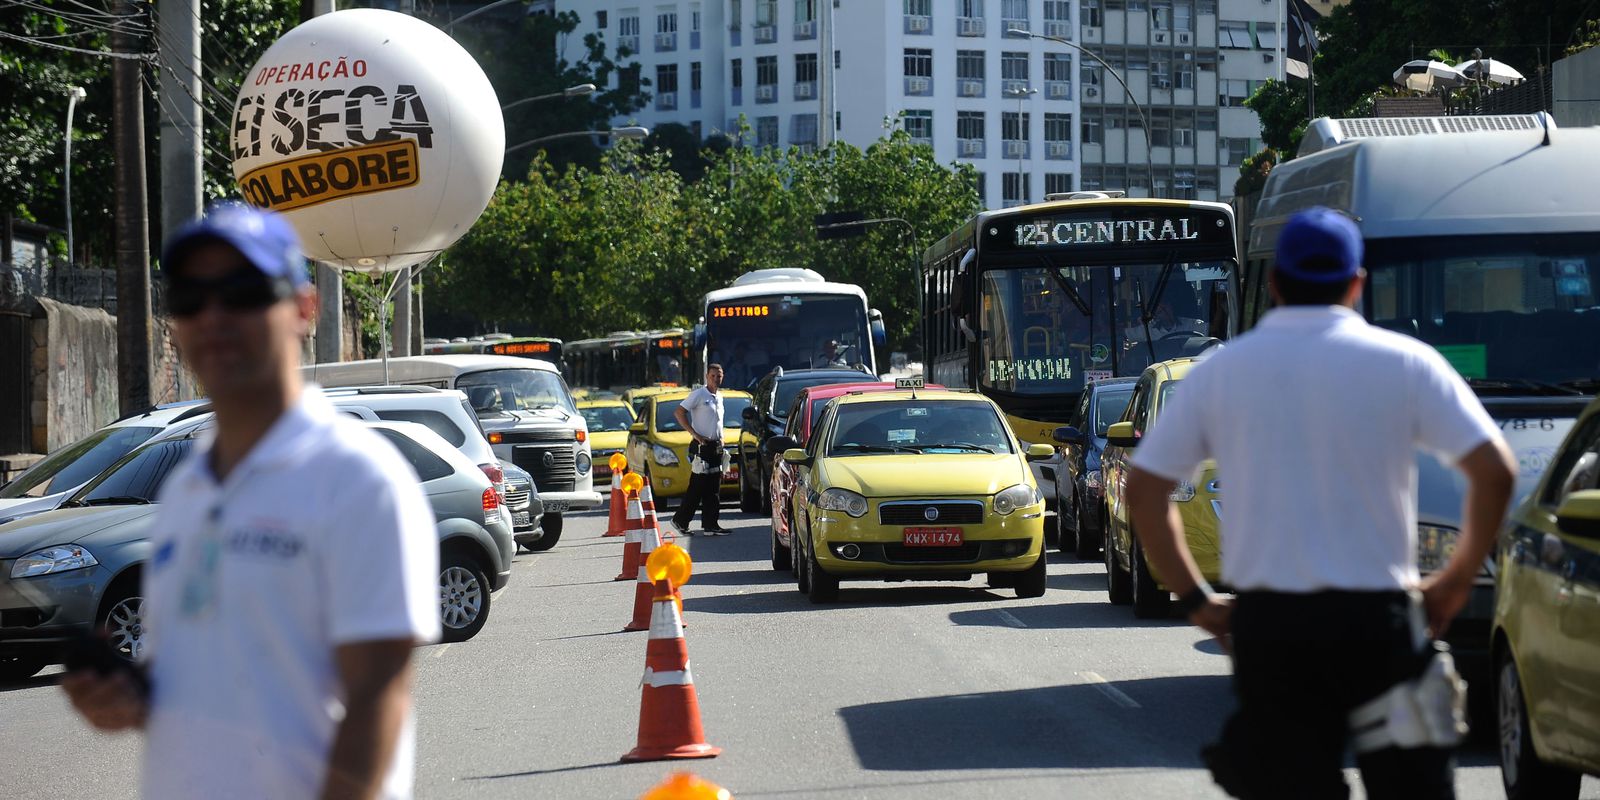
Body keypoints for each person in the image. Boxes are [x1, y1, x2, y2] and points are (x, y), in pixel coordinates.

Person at [1123, 207, 1515, 800]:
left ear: (1276, 283)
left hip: (1273, 631)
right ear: (1357, 283)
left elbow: (1145, 489)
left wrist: (1198, 601)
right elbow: (1495, 472)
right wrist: (1456, 580)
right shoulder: (1405, 363)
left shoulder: (1221, 372)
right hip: (1379, 624)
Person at [63, 203, 440, 800]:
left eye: (242, 292)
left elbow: (378, 701)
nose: (213, 316)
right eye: (190, 298)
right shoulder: (189, 488)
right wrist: (129, 702)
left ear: (304, 308)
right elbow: (195, 687)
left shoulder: (357, 479)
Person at [671, 363, 732, 535]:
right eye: (713, 376)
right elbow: (679, 412)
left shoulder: (719, 396)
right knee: (697, 485)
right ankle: (680, 520)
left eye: (719, 376)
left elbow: (717, 421)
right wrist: (694, 433)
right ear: (707, 376)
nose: (716, 379)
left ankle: (710, 524)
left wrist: (722, 438)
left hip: (716, 446)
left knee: (713, 487)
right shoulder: (699, 394)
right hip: (701, 446)